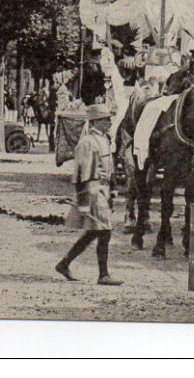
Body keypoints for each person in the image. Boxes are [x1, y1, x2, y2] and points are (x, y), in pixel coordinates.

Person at [55, 104, 123, 285]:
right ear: (96, 121)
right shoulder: (87, 142)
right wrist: (83, 201)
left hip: (102, 189)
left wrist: (113, 188)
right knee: (104, 231)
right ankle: (103, 275)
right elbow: (81, 173)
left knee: (94, 232)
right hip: (92, 189)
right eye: (106, 119)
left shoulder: (104, 139)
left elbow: (110, 166)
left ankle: (64, 263)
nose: (109, 122)